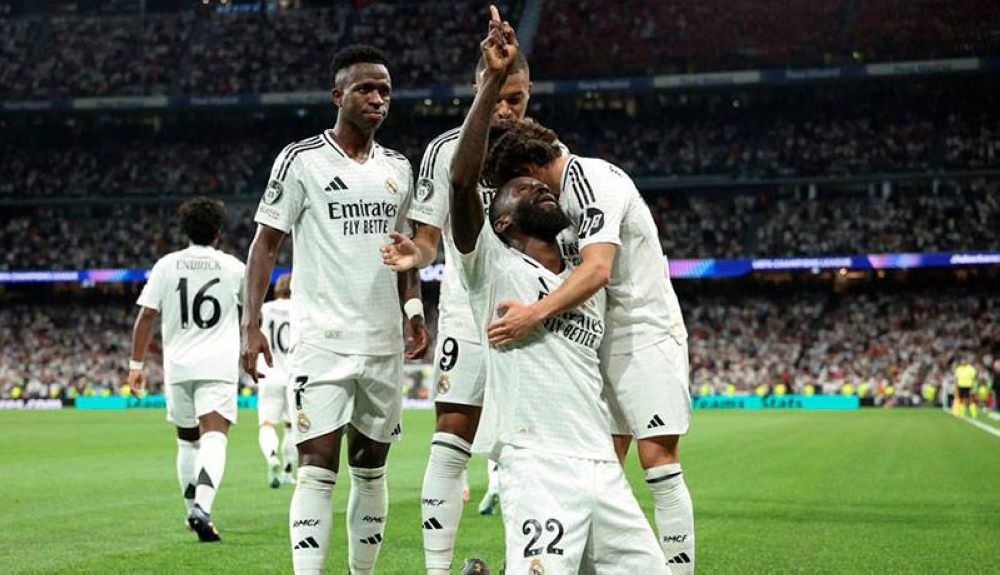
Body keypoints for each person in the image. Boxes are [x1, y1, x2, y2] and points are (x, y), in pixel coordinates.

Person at [389, 9, 667, 572]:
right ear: (503, 218)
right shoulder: (487, 251)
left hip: (598, 463)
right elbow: (458, 197)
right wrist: (491, 80)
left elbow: (599, 260)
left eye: (516, 97)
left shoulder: (572, 252)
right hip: (528, 433)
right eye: (519, 189)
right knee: (451, 432)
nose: (539, 188)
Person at [241, 45, 438, 575]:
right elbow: (264, 245)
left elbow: (408, 251)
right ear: (338, 96)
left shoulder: (399, 167)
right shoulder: (301, 160)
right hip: (320, 340)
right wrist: (250, 325)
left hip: (381, 341)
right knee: (316, 464)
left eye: (385, 91)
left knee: (372, 467)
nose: (378, 99)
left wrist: (414, 308)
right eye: (366, 89)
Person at [482, 108, 695, 570]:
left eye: (520, 181)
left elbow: (597, 269)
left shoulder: (593, 180)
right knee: (600, 466)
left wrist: (533, 314)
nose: (529, 193)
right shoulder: (556, 212)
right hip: (594, 335)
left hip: (643, 332)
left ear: (533, 168)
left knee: (658, 459)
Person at [401, 19, 532, 575]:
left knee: (526, 448)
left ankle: (525, 563)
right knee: (450, 440)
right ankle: (438, 570)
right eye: (498, 97)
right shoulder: (444, 151)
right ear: (480, 88)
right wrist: (413, 286)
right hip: (464, 316)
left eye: (517, 98)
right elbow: (425, 242)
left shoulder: (541, 151)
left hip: (531, 319)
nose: (507, 110)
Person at [128, 196, 245, 543]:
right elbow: (254, 310)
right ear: (219, 232)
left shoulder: (166, 265)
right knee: (215, 437)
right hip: (218, 365)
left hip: (178, 366)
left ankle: (190, 509)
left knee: (187, 442)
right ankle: (203, 508)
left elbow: (146, 315)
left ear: (185, 230)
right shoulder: (232, 267)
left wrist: (136, 365)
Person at [256, 272, 297, 488]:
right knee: (292, 427)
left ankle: (272, 456)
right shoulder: (301, 309)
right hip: (294, 375)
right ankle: (290, 470)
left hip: (269, 373)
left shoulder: (265, 309)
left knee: (267, 424)